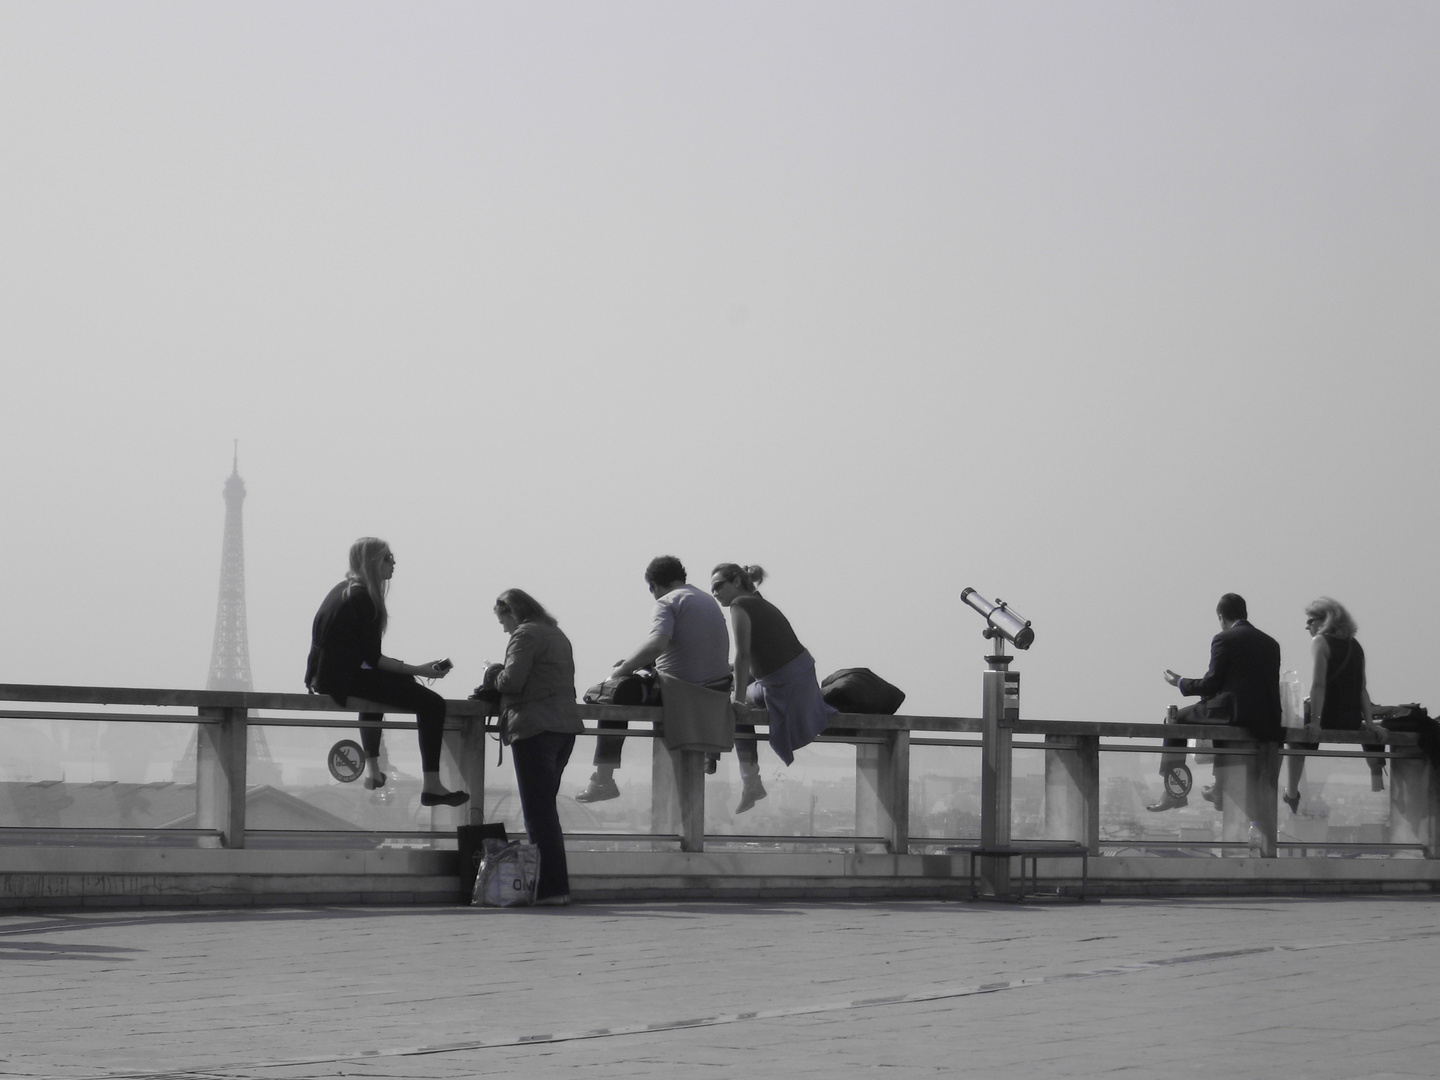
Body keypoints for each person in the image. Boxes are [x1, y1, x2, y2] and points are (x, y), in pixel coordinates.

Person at [304, 537, 467, 807]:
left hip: (327, 676)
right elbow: (374, 659)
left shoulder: (343, 589)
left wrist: (406, 672)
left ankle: (373, 770)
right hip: (344, 679)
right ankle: (432, 785)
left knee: (391, 683)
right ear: (371, 563)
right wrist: (420, 669)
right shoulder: (364, 598)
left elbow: (361, 656)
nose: (393, 564)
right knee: (432, 704)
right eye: (387, 558)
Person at [576, 555, 737, 804]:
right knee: (626, 686)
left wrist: (622, 671)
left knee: (611, 697)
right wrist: (641, 663)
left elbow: (657, 643)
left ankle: (603, 779)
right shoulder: (707, 600)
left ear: (653, 585)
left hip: (681, 691)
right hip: (715, 693)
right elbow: (689, 649)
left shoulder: (667, 602)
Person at [710, 563, 835, 813]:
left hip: (785, 688)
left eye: (718, 586)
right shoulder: (759, 602)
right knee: (733, 686)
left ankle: (747, 779)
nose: (715, 593)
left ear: (736, 581)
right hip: (799, 682)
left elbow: (743, 656)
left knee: (731, 705)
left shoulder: (740, 605)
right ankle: (730, 768)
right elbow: (762, 658)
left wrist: (738, 699)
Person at [487, 589, 582, 906]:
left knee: (537, 813)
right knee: (546, 810)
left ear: (511, 613)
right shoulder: (556, 633)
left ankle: (551, 890)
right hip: (564, 727)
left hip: (534, 727)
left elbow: (512, 682)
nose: (504, 629)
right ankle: (558, 888)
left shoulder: (525, 634)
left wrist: (492, 674)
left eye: (503, 621)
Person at [1148, 592, 1281, 812]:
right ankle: (1219, 787)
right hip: (1264, 720)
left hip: (1232, 713)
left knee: (1175, 719)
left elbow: (1211, 684)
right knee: (1216, 711)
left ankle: (1174, 791)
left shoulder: (1224, 639)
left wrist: (1180, 682)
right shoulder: (1271, 644)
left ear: (1221, 616)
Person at [1282, 597, 1385, 813]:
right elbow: (1362, 689)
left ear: (1324, 620)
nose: (1307, 626)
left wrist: (1317, 722)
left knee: (1294, 733)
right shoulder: (1355, 645)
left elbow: (1319, 685)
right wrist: (1369, 723)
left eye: (1310, 621)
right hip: (1351, 719)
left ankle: (1291, 792)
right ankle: (1377, 782)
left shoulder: (1320, 641)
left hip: (1329, 716)